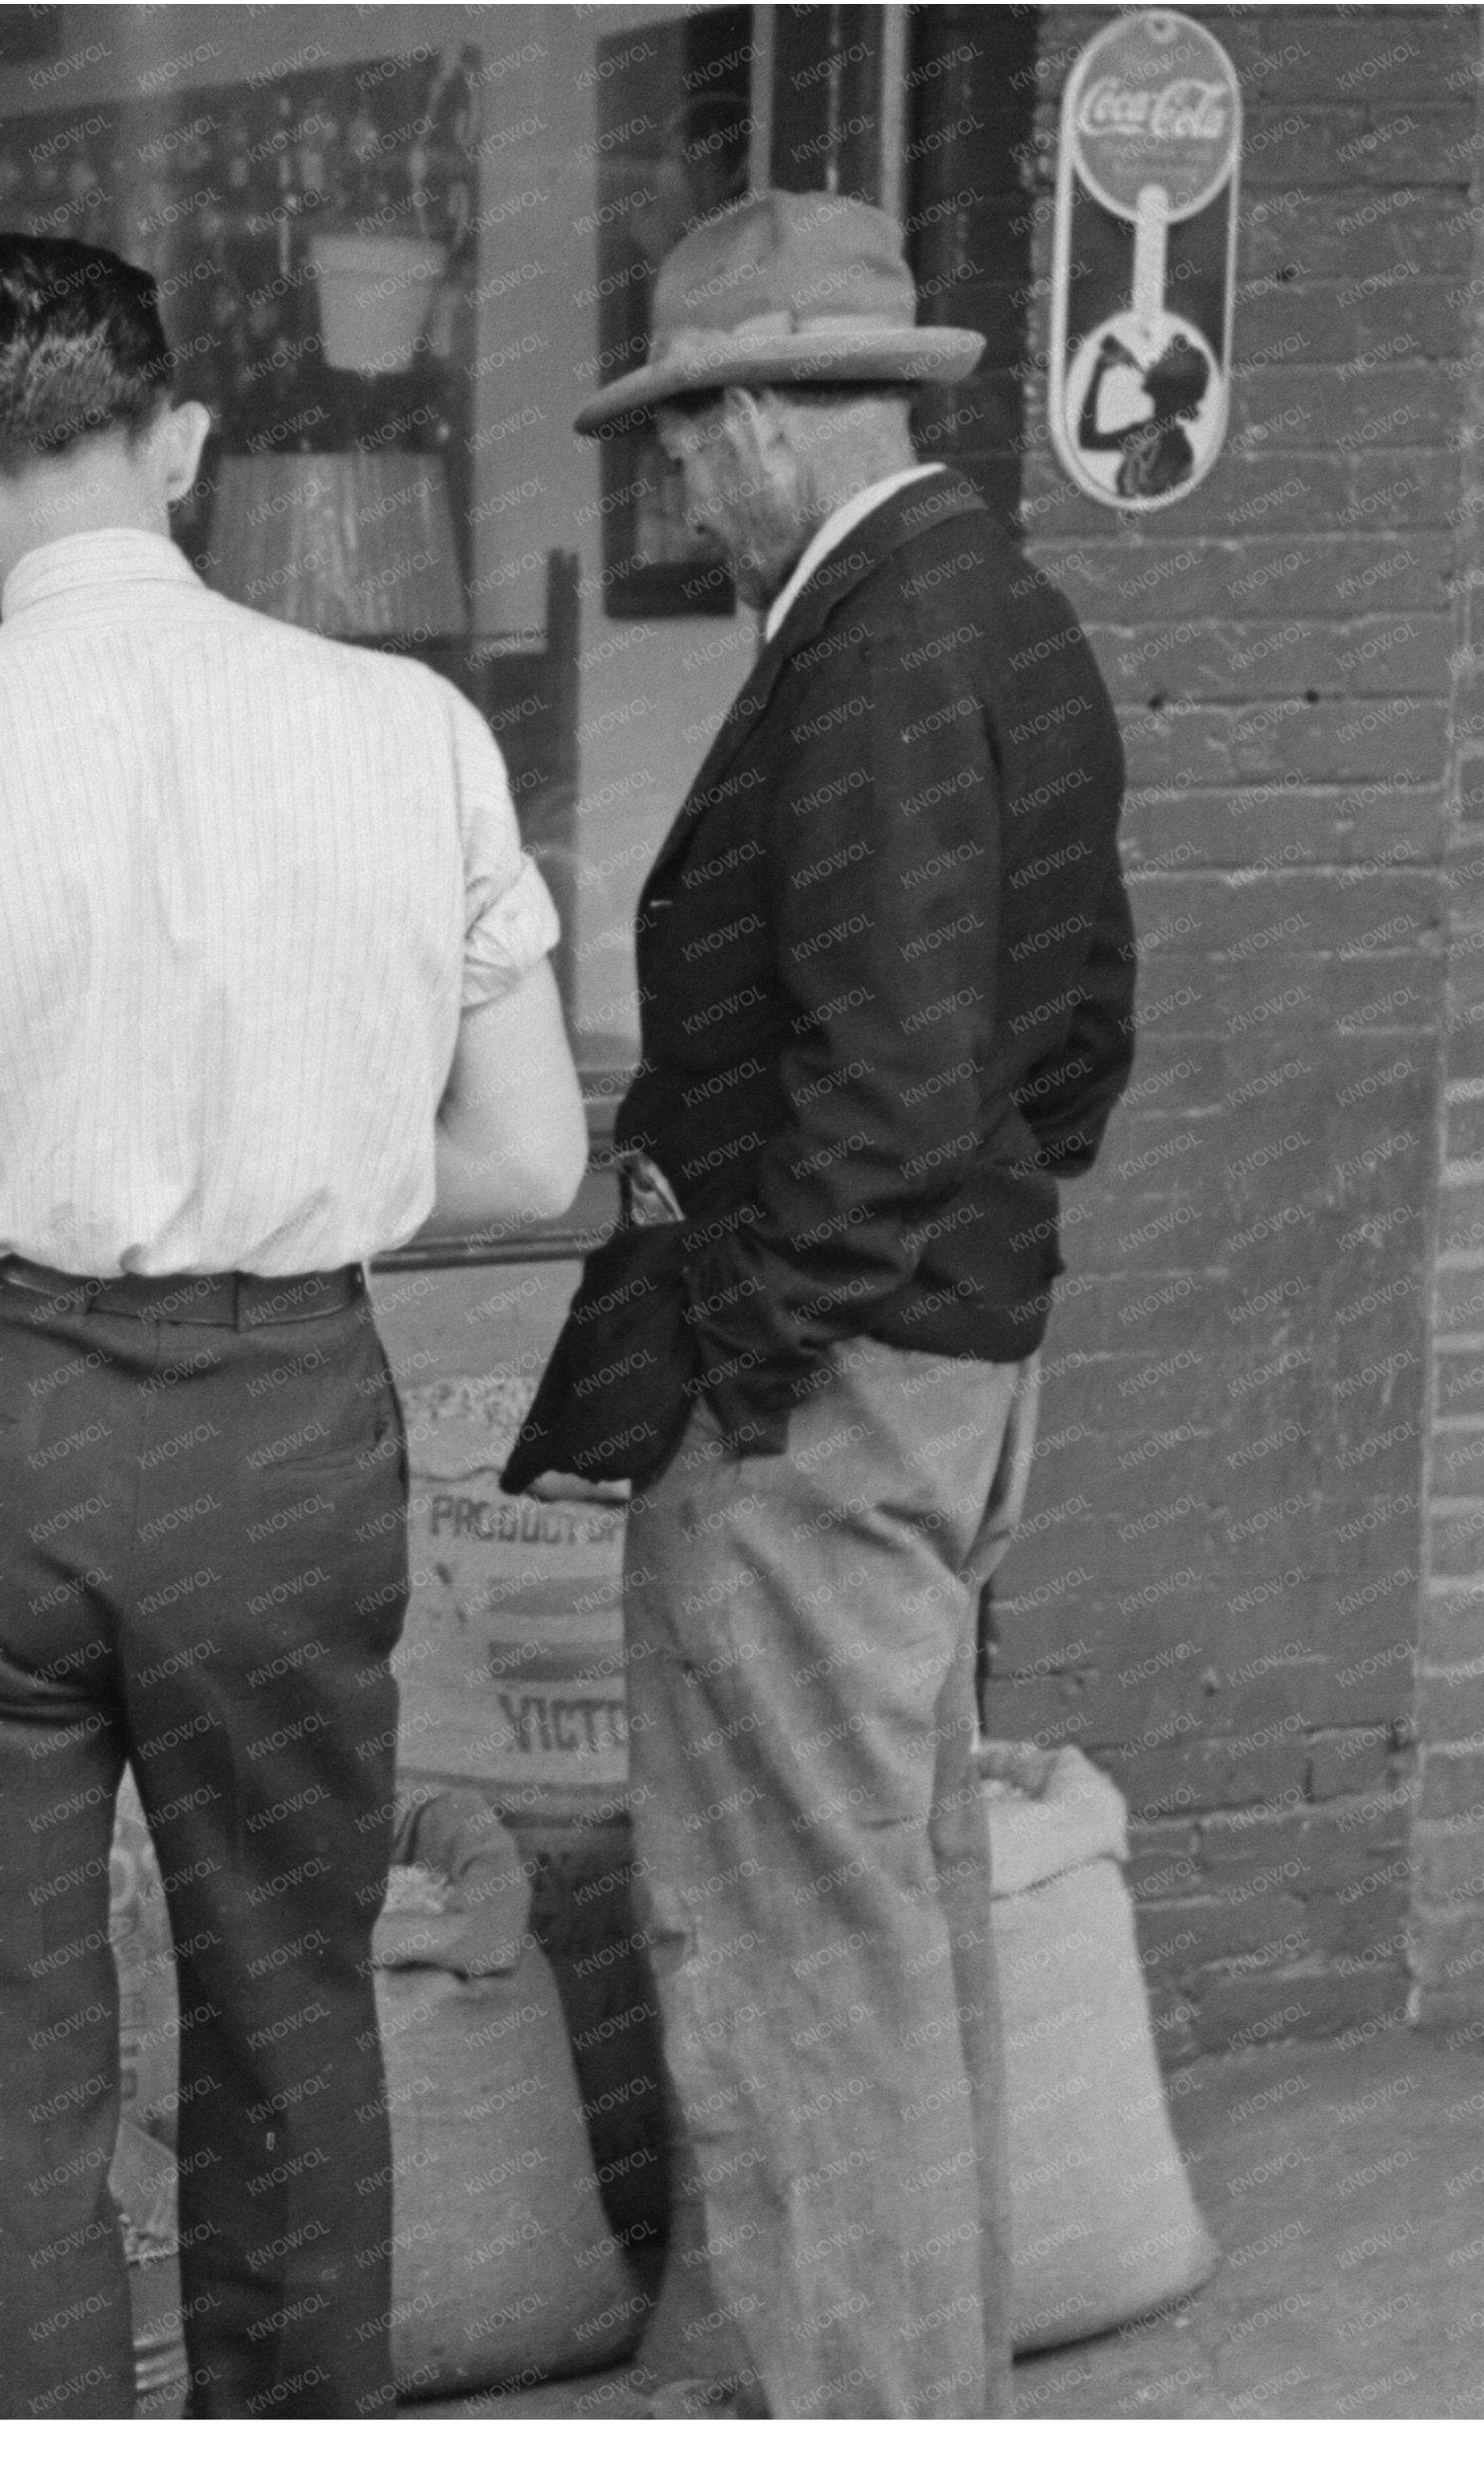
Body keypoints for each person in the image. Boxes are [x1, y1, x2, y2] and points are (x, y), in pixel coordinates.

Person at [0, 230, 586, 2418]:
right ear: (182, 443)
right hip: (280, 1425)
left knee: (6, 2065)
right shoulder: (410, 732)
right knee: (293, 2004)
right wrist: (298, 1157)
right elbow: (527, 1162)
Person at [523, 188, 1140, 2418]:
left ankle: (868, 2413)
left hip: (823, 1380)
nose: (676, 486)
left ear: (768, 415)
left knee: (800, 1940)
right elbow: (1078, 1045)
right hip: (940, 1350)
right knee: (881, 1912)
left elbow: (887, 1086)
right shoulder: (1001, 616)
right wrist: (964, 1296)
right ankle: (853, 2377)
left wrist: (759, 1368)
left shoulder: (873, 648)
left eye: (686, 438)